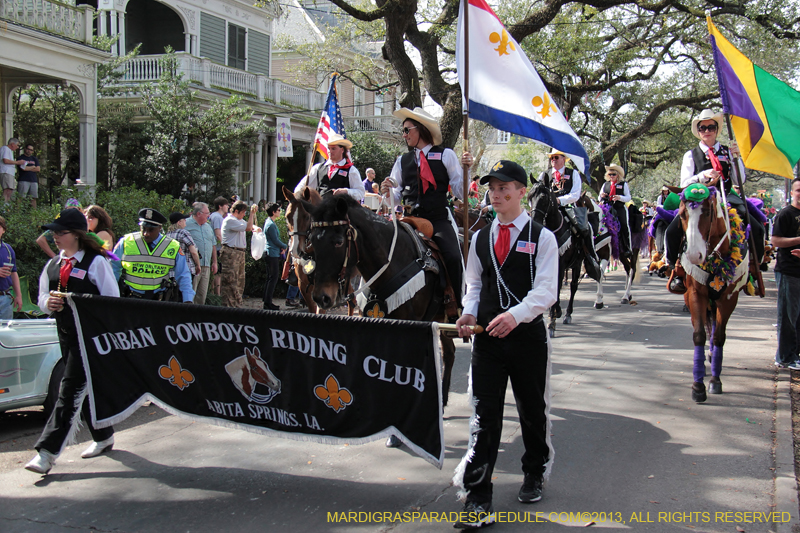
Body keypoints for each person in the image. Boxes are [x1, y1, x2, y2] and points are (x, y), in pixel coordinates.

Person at [453, 160, 558, 529]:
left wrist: (516, 314)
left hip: (527, 339)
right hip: (487, 342)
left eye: (504, 188)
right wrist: (468, 313)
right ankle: (477, 497)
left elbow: (546, 290)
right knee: (484, 417)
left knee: (532, 411)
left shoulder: (542, 237)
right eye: (491, 189)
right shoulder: (480, 237)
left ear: (521, 191)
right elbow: (474, 286)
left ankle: (534, 471)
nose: (496, 195)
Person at [25, 209, 120, 475]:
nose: (55, 237)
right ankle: (104, 436)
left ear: (77, 235)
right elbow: (42, 297)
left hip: (89, 339)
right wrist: (49, 303)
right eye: (53, 232)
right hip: (65, 336)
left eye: (61, 232)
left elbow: (111, 301)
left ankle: (46, 453)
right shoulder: (53, 264)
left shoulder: (96, 262)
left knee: (68, 392)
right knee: (86, 388)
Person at [381, 107, 473, 310]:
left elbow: (460, 192)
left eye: (407, 130)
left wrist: (467, 170)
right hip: (408, 219)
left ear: (420, 129)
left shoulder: (446, 155)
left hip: (438, 219)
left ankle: (457, 306)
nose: (404, 135)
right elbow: (394, 199)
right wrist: (386, 191)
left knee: (454, 257)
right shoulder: (402, 161)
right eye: (403, 131)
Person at [665, 109, 765, 293]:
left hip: (726, 196)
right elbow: (685, 182)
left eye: (711, 127)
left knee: (756, 227)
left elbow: (738, 181)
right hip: (699, 199)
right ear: (699, 131)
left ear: (717, 129)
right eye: (702, 127)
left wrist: (736, 160)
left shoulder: (728, 151)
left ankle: (753, 269)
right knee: (672, 229)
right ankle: (676, 269)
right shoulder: (691, 155)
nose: (707, 130)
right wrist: (703, 175)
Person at [538, 148, 602, 280]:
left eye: (556, 157)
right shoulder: (544, 175)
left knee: (585, 228)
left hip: (567, 208)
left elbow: (575, 194)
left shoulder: (573, 174)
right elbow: (538, 193)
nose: (553, 160)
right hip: (548, 210)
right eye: (552, 158)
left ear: (563, 159)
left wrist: (559, 200)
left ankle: (591, 258)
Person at [113, 208, 194, 302]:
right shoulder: (126, 241)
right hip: (130, 299)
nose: (146, 233)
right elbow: (113, 268)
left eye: (151, 230)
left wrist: (188, 299)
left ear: (160, 228)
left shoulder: (172, 246)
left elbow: (183, 274)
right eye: (143, 229)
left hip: (158, 302)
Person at [771, 177, 800, 370]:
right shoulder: (786, 214)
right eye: (798, 190)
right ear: (792, 193)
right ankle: (784, 357)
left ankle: (794, 354)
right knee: (789, 316)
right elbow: (775, 240)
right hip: (788, 270)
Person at [295, 133, 365, 202]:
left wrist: (346, 191)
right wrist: (298, 195)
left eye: (333, 149)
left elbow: (361, 192)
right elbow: (302, 185)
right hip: (321, 209)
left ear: (342, 150)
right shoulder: (318, 168)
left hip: (342, 209)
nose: (330, 151)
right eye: (329, 148)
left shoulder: (351, 170)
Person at [220, 201, 258, 307]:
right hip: (231, 253)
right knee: (230, 281)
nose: (244, 215)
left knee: (240, 281)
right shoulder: (230, 220)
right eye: (243, 212)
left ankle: (237, 304)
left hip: (239, 253)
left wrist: (256, 227)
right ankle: (228, 306)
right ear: (236, 211)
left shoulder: (238, 221)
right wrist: (252, 214)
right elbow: (248, 227)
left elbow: (250, 226)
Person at [185, 202, 217, 305]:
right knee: (191, 294)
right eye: (207, 213)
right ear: (199, 213)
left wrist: (215, 262)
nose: (209, 215)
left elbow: (213, 245)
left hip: (206, 265)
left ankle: (198, 319)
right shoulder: (186, 224)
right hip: (192, 266)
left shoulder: (208, 227)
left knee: (202, 295)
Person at [599, 164, 633, 258]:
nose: (611, 176)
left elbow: (628, 197)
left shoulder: (623, 184)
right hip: (608, 208)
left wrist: (619, 197)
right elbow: (599, 196)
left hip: (619, 208)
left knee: (624, 226)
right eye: (610, 174)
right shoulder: (605, 184)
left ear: (618, 175)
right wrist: (602, 196)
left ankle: (627, 247)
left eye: (613, 174)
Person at [262, 202, 288, 310]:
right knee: (273, 278)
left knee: (270, 278)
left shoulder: (270, 223)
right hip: (271, 253)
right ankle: (268, 302)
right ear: (273, 212)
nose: (280, 212)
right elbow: (275, 240)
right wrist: (285, 246)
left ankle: (267, 300)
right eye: (278, 210)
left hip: (272, 252)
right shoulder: (271, 225)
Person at [166, 212, 201, 284]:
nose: (185, 221)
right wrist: (198, 265)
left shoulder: (167, 235)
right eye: (184, 220)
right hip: (185, 269)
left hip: (171, 270)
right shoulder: (183, 233)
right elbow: (193, 251)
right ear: (179, 222)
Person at [0, 216, 22, 319]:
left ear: (3, 230)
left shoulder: (8, 249)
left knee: (6, 333)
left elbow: (13, 273)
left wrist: (18, 296)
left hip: (5, 298)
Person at [209, 196, 229, 297]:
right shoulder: (217, 217)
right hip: (217, 248)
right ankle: (216, 294)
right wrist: (225, 246)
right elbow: (218, 234)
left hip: (215, 247)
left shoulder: (215, 216)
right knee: (218, 273)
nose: (228, 207)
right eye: (226, 205)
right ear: (220, 206)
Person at [0, 138, 25, 203]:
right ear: (12, 144)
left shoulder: (9, 151)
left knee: (10, 190)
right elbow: (5, 160)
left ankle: (6, 205)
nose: (17, 147)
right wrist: (17, 162)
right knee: (7, 190)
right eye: (17, 145)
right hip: (6, 172)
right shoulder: (5, 149)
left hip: (9, 173)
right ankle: (4, 207)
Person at [17, 144, 40, 208]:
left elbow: (38, 169)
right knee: (21, 197)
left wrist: (28, 168)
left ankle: (33, 215)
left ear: (33, 151)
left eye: (31, 150)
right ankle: (18, 213)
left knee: (33, 198)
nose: (29, 151)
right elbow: (23, 168)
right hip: (23, 180)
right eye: (28, 149)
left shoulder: (34, 159)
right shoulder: (21, 158)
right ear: (25, 149)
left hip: (33, 180)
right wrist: (32, 167)